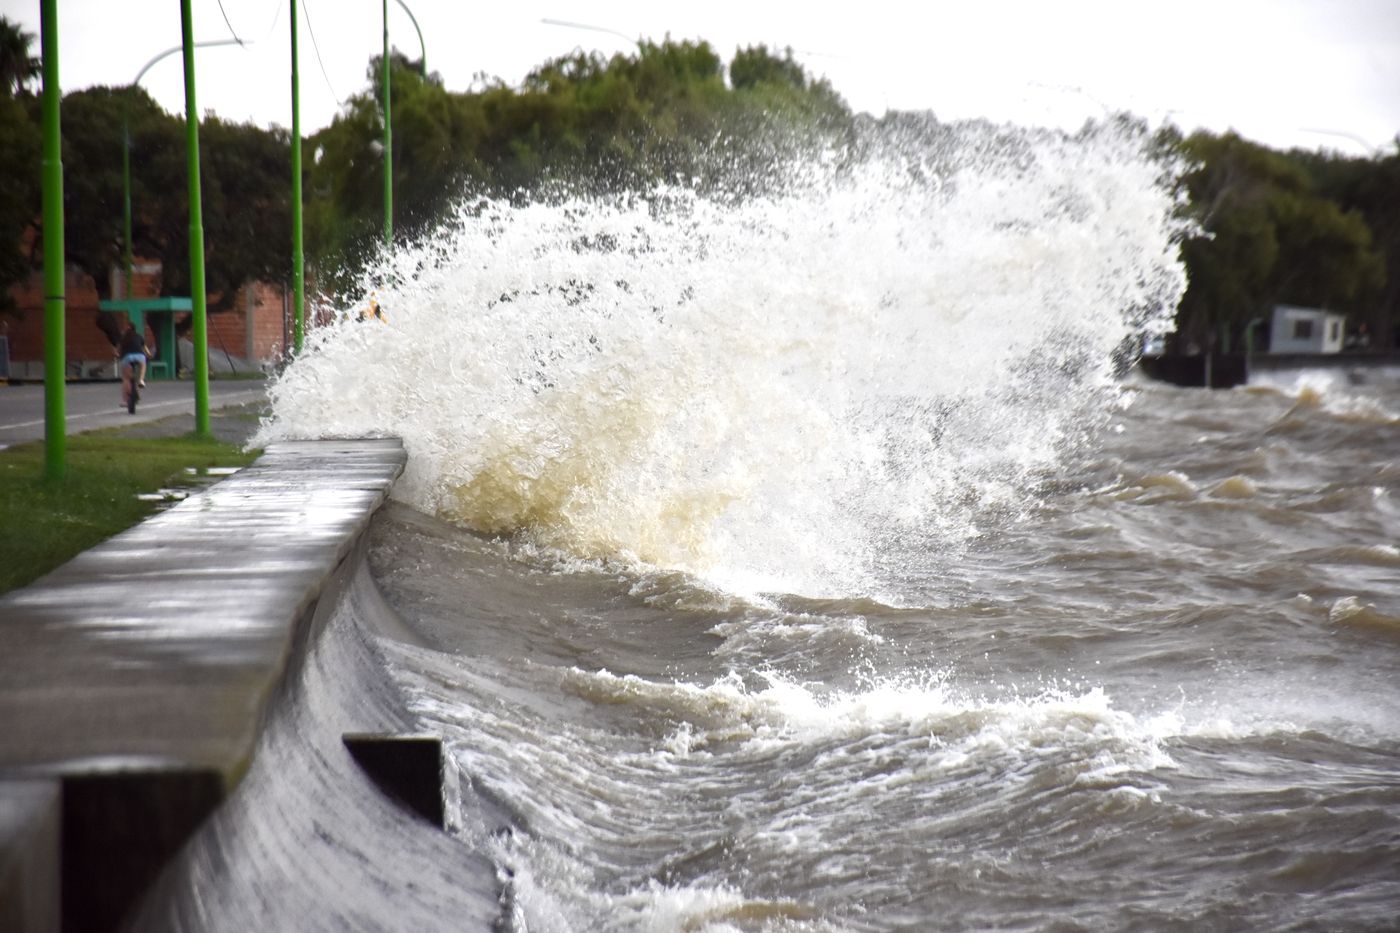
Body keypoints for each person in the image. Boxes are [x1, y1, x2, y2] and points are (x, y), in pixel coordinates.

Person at [116, 323, 150, 408]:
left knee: (126, 378)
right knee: (143, 365)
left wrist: (117, 354)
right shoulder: (139, 336)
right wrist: (149, 354)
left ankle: (126, 401)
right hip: (140, 356)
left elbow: (118, 350)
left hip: (127, 357)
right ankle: (141, 380)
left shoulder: (123, 337)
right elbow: (145, 348)